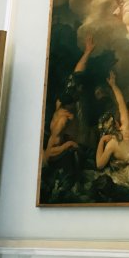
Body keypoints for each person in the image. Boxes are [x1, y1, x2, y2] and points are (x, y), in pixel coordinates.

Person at [42, 35, 95, 165]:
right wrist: (69, 145)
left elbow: (76, 77)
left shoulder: (64, 104)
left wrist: (87, 52)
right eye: (76, 95)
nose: (79, 93)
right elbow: (49, 153)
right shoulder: (62, 120)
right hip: (55, 163)